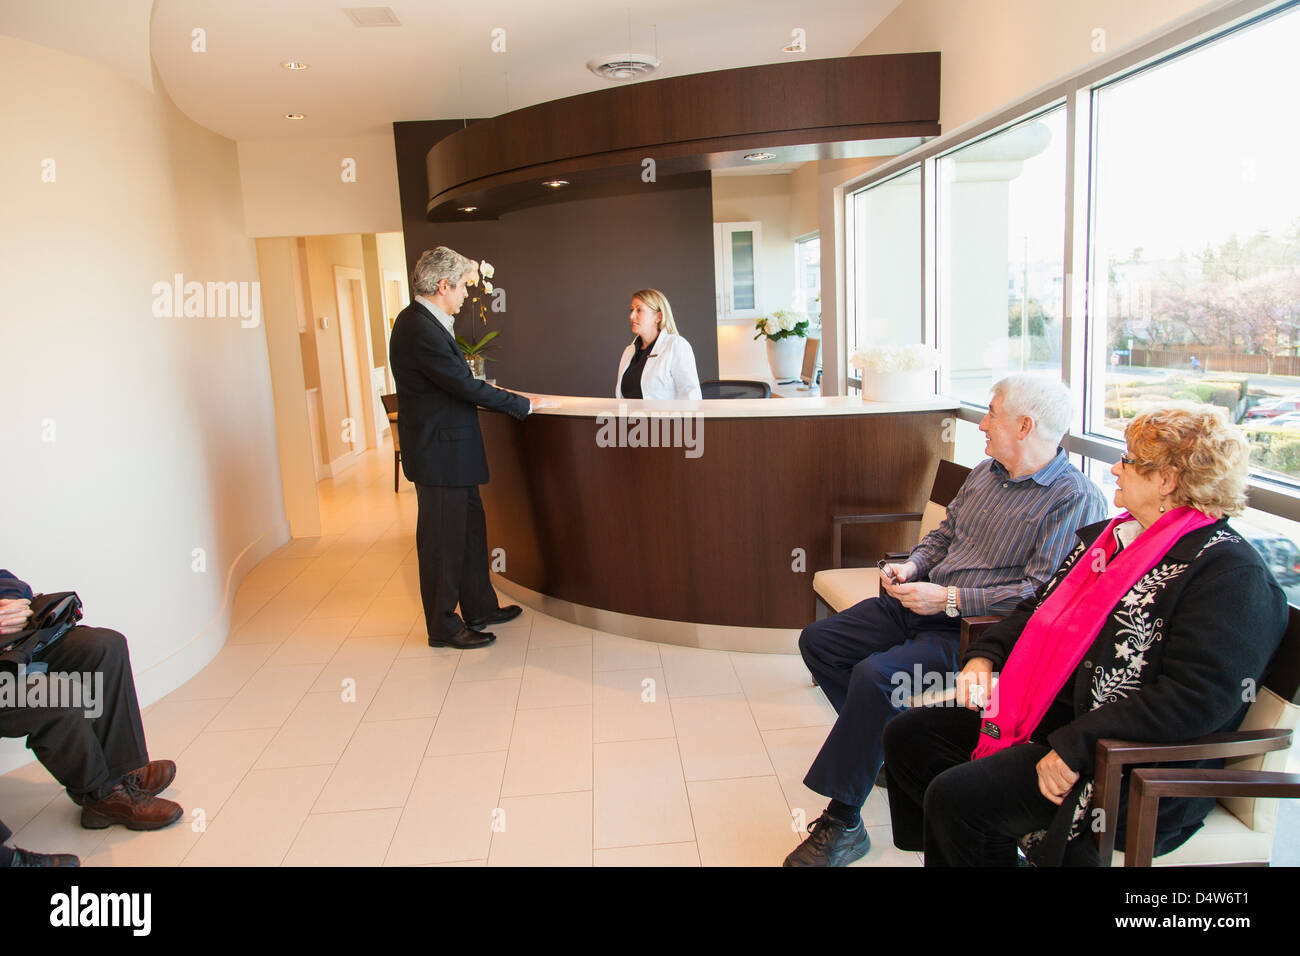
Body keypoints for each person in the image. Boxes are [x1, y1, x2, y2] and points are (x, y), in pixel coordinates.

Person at [881, 404, 1288, 866]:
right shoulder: (1113, 540)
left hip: (1132, 768)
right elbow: (1038, 607)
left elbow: (1196, 700)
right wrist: (986, 656)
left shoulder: (1229, 574)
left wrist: (1076, 746)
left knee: (959, 798)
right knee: (909, 736)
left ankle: (967, 841)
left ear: (1168, 479)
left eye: (1130, 460)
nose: (1115, 467)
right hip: (1052, 719)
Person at [783, 375, 1107, 866]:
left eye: (992, 413)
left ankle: (844, 821)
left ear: (1025, 425)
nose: (983, 423)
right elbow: (943, 537)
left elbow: (1038, 594)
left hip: (975, 633)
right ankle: (882, 748)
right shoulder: (986, 472)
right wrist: (911, 566)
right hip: (919, 603)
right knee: (820, 643)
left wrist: (951, 599)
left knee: (878, 679)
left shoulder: (1074, 498)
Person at [389, 247, 544, 649]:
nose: (464, 296)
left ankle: (480, 607)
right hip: (439, 457)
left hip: (452, 454)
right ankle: (443, 626)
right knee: (442, 543)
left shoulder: (428, 322)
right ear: (443, 286)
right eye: (461, 288)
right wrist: (520, 404)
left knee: (470, 533)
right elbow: (460, 385)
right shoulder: (418, 328)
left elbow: (456, 382)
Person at [0, 570, 183, 838]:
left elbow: (11, 583)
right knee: (56, 693)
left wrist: (11, 603)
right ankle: (102, 795)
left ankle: (121, 772)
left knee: (104, 645)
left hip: (9, 652)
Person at [614, 289, 702, 400]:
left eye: (639, 310)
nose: (631, 316)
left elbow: (691, 396)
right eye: (631, 310)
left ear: (658, 317)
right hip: (630, 417)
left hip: (667, 417)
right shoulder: (629, 351)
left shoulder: (676, 345)